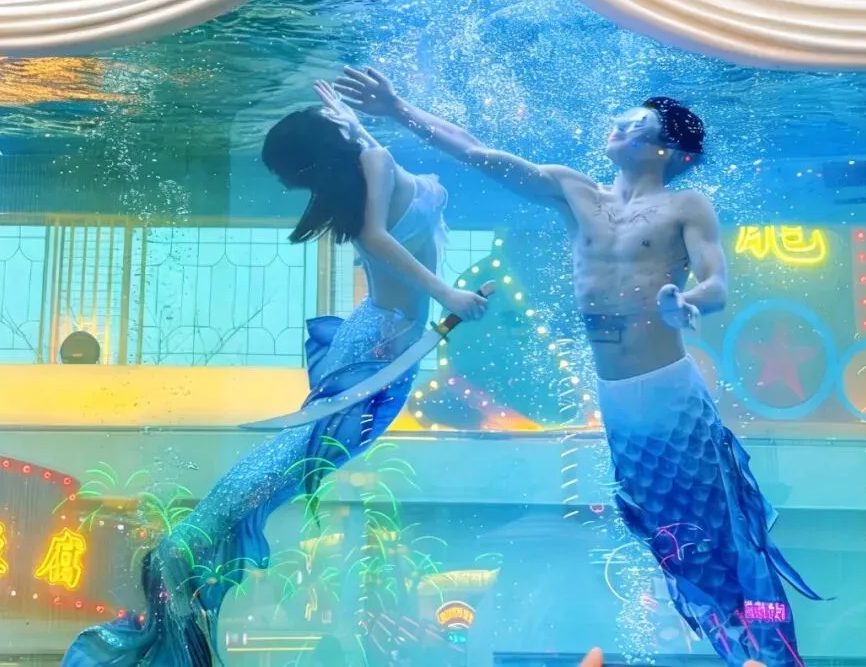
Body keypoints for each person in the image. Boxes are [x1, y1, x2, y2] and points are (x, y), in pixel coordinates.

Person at [333, 67, 822, 667]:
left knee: (720, 529)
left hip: (669, 391)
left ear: (670, 151)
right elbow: (478, 153)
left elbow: (716, 281)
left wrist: (689, 301)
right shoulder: (575, 191)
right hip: (617, 400)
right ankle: (739, 647)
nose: (620, 126)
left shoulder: (685, 205)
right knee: (667, 536)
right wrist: (399, 110)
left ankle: (771, 651)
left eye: (638, 123)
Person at [61, 80, 487, 667]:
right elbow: (375, 234)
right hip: (381, 345)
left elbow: (374, 176)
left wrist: (349, 120)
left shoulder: (370, 162)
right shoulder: (375, 163)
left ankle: (191, 545)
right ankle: (186, 547)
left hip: (380, 338)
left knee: (303, 453)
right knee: (301, 453)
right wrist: (448, 295)